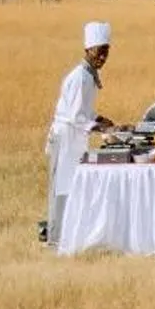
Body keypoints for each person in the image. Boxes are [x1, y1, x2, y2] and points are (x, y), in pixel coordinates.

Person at [43, 21, 115, 244]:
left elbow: (84, 110)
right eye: (99, 52)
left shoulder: (89, 75)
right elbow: (75, 116)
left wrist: (100, 119)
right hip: (65, 138)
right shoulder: (80, 77)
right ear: (88, 50)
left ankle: (69, 233)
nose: (102, 57)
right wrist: (100, 127)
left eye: (106, 52)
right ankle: (55, 237)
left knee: (73, 186)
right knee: (60, 188)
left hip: (74, 138)